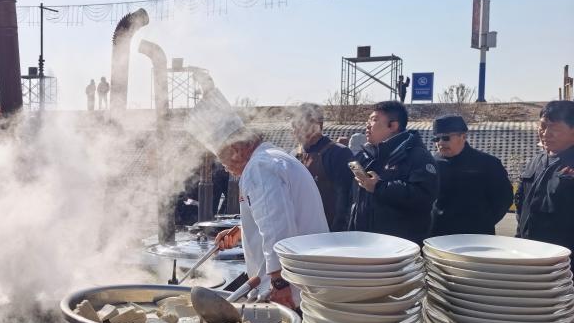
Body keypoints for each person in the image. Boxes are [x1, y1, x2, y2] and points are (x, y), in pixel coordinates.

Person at [188, 89, 328, 309]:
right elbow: (277, 214)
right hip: (302, 279)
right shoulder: (271, 159)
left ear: (235, 149)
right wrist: (242, 230)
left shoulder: (259, 168)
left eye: (222, 159)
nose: (225, 168)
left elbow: (278, 228)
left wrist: (279, 282)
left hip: (292, 289)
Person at [347, 100, 438, 244]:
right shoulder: (367, 155)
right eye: (368, 120)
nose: (368, 125)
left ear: (393, 126)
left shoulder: (417, 156)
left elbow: (423, 196)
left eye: (374, 120)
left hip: (398, 247)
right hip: (363, 243)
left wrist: (379, 187)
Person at [430, 115, 513, 237]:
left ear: (463, 137)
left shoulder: (487, 163)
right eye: (437, 139)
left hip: (476, 235)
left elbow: (504, 198)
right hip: (438, 234)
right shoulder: (432, 163)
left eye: (446, 138)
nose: (441, 143)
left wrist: (484, 221)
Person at [515, 100, 574, 252]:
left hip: (563, 257)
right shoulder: (536, 162)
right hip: (529, 251)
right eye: (542, 126)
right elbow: (521, 206)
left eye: (555, 128)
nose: (546, 133)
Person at [291, 103, 355, 231]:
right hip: (299, 229)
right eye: (293, 126)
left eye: (299, 125)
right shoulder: (294, 155)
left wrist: (337, 232)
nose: (294, 131)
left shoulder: (340, 153)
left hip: (328, 230)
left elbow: (346, 199)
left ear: (316, 124)